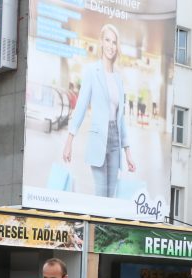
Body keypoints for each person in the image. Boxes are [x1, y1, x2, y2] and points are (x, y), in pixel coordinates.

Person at [62, 23, 136, 198]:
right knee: (101, 196)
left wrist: (128, 153)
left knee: (111, 197)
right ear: (101, 42)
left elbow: (121, 119)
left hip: (115, 140)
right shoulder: (91, 71)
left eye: (114, 42)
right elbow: (80, 106)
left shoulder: (118, 78)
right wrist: (69, 141)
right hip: (98, 140)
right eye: (108, 40)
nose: (111, 45)